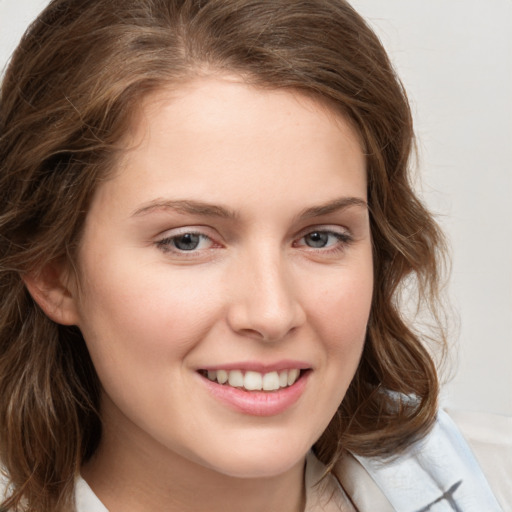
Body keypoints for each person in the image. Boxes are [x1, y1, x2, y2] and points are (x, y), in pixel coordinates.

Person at [0, 0, 503, 511]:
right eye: (188, 241)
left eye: (320, 237)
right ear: (54, 273)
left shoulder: (491, 480)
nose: (272, 313)